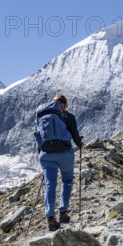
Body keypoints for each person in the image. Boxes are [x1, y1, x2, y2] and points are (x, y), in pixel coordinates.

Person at [37, 94, 82, 231]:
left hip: (46, 155)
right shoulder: (68, 117)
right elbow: (75, 137)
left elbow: (38, 137)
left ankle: (50, 217)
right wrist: (80, 144)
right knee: (67, 181)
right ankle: (63, 212)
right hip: (64, 154)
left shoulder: (43, 116)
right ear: (64, 105)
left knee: (50, 184)